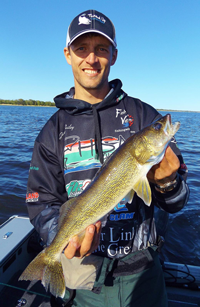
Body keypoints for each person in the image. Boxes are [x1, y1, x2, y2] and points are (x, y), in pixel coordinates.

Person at [26, 9, 189, 307]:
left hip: (144, 274)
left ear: (114, 55)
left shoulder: (143, 115)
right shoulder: (51, 133)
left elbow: (177, 203)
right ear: (67, 54)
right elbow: (41, 203)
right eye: (82, 48)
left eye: (101, 48)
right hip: (84, 280)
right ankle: (46, 262)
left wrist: (168, 183)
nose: (91, 58)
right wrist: (64, 239)